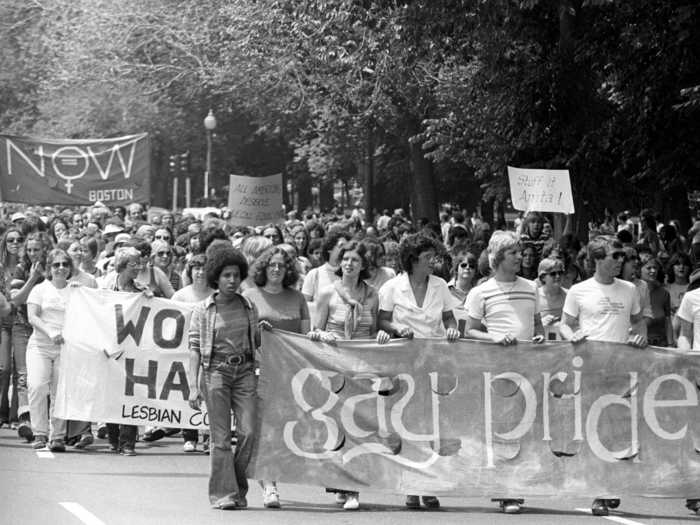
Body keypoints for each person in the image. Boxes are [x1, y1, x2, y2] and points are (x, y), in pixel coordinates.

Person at [559, 236, 646, 517]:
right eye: (615, 256)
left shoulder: (630, 289)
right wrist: (571, 335)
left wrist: (640, 337)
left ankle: (611, 483)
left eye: (622, 256)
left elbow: (638, 322)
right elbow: (565, 324)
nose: (621, 261)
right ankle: (599, 491)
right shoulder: (579, 290)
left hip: (622, 371)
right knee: (594, 430)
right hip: (590, 370)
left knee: (618, 431)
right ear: (597, 259)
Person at [377, 233, 460, 510]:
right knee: (407, 423)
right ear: (412, 261)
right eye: (427, 259)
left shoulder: (440, 286)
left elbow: (449, 316)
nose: (432, 263)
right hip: (403, 364)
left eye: (433, 258)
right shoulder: (392, 287)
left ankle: (429, 486)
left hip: (432, 362)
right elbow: (383, 320)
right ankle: (411, 487)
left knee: (432, 424)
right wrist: (397, 330)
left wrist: (451, 328)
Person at [464, 230, 543, 514]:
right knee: (501, 427)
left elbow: (537, 324)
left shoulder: (532, 287)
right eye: (513, 253)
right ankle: (503, 489)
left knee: (524, 427)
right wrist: (493, 338)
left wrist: (539, 338)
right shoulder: (480, 291)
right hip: (496, 370)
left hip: (528, 370)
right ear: (497, 258)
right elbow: (469, 331)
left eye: (520, 252)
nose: (520, 257)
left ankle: (516, 487)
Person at [309, 240, 387, 510]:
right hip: (334, 369)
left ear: (364, 265)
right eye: (345, 259)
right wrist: (323, 334)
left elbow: (373, 329)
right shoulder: (326, 294)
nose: (349, 264)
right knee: (337, 429)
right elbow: (313, 332)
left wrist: (381, 334)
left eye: (355, 260)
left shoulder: (373, 295)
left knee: (358, 429)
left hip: (361, 370)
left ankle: (353, 488)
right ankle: (341, 484)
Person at [188, 246, 260, 510]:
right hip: (215, 373)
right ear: (215, 278)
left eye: (236, 275)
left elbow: (259, 342)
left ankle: (237, 488)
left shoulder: (249, 305)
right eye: (227, 275)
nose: (232, 280)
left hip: (244, 373)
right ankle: (223, 495)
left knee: (249, 432)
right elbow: (194, 348)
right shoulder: (202, 309)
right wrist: (193, 387)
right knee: (220, 439)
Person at [242, 246, 310, 509]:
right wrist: (258, 333)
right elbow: (241, 335)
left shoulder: (298, 298)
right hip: (259, 371)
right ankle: (269, 485)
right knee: (264, 431)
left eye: (282, 265)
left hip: (291, 375)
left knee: (285, 431)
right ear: (263, 268)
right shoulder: (249, 296)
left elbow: (305, 338)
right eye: (272, 264)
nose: (277, 269)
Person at [99, 247, 150, 455]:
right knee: (111, 394)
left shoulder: (141, 290)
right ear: (121, 266)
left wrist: (150, 299)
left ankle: (128, 442)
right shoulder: (105, 287)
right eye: (133, 264)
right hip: (109, 347)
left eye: (140, 263)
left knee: (131, 394)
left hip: (133, 350)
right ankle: (113, 438)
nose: (138, 268)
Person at [25, 249, 76, 451]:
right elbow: (33, 317)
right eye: (56, 265)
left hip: (66, 347)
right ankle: (39, 432)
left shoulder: (75, 290)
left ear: (70, 268)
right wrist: (50, 332)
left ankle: (58, 436)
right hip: (40, 345)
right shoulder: (40, 289)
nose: (61, 268)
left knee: (60, 391)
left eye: (65, 264)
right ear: (49, 268)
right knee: (37, 386)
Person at [639, 257, 672, 346]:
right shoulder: (632, 291)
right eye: (649, 268)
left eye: (655, 268)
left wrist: (671, 345)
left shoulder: (664, 293)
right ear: (639, 270)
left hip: (661, 345)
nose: (653, 271)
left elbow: (668, 321)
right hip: (638, 345)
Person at [537, 257, 567, 341]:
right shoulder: (535, 297)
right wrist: (540, 323)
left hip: (563, 345)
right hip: (540, 346)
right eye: (553, 274)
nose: (558, 276)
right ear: (543, 277)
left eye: (560, 273)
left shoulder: (569, 295)